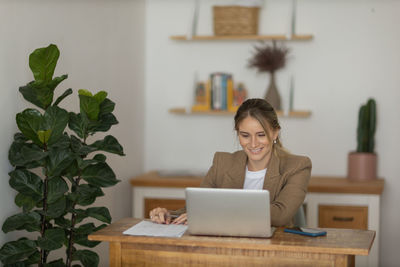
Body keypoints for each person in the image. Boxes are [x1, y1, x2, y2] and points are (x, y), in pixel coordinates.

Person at [149, 98, 312, 226]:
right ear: (238, 134)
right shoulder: (223, 163)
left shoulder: (297, 166)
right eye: (245, 135)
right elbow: (196, 209)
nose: (253, 144)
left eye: (261, 135)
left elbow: (279, 215)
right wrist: (169, 215)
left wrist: (212, 212)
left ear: (275, 133)